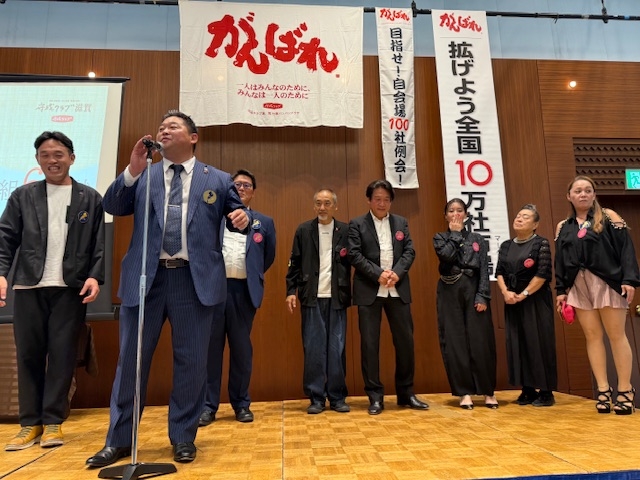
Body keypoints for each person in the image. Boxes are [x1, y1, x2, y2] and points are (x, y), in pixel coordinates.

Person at [86, 110, 249, 467]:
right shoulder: (144, 174)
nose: (164, 130)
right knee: (131, 362)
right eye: (161, 127)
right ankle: (119, 440)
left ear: (193, 137)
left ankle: (183, 436)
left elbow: (239, 217)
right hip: (146, 279)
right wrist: (132, 169)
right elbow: (112, 205)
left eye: (173, 126)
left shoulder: (217, 179)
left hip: (193, 281)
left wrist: (243, 217)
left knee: (191, 362)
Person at [1, 131, 105, 451]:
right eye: (45, 155)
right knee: (28, 355)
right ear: (37, 160)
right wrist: (1, 273)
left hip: (69, 288)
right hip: (29, 285)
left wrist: (95, 276)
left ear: (71, 158)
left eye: (58, 154)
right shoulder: (22, 196)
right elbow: (6, 238)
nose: (52, 160)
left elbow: (98, 243)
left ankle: (53, 422)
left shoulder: (90, 197)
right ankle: (29, 424)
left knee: (62, 356)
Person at [555, 175, 639, 415]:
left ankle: (625, 390)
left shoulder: (609, 216)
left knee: (616, 335)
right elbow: (560, 260)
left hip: (607, 282)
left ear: (594, 194)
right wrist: (561, 290)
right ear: (569, 196)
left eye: (587, 190)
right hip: (578, 285)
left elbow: (626, 250)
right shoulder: (563, 226)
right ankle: (603, 390)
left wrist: (629, 280)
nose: (583, 194)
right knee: (592, 337)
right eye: (578, 191)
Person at [199, 169, 276, 426]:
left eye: (247, 185)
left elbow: (267, 257)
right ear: (229, 190)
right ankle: (208, 406)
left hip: (243, 293)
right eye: (237, 185)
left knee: (242, 351)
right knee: (211, 351)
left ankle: (241, 404)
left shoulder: (264, 222)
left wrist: (251, 275)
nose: (242, 188)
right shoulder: (213, 218)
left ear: (253, 192)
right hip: (214, 292)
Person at [349, 179, 428, 415]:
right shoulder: (357, 224)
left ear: (391, 201)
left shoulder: (401, 222)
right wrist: (378, 274)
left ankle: (406, 393)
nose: (382, 203)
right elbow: (354, 254)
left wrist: (397, 273)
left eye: (386, 199)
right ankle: (375, 397)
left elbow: (410, 251)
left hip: (397, 289)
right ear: (369, 200)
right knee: (369, 345)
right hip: (369, 290)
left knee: (405, 343)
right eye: (377, 199)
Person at [285, 189, 351, 414]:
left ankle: (337, 397)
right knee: (313, 349)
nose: (322, 208)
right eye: (318, 203)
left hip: (337, 298)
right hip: (311, 297)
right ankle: (316, 397)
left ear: (335, 206)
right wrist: (290, 291)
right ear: (314, 206)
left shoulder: (346, 231)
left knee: (336, 349)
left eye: (327, 203)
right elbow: (294, 262)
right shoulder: (304, 230)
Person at [433, 198, 498, 410]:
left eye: (459, 210)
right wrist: (455, 235)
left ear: (466, 215)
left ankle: (488, 391)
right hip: (449, 289)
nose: (455, 214)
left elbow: (484, 268)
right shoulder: (440, 238)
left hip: (473, 288)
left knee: (481, 340)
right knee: (455, 341)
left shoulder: (477, 238)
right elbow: (446, 257)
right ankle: (464, 392)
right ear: (446, 216)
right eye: (451, 211)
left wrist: (483, 296)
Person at [496, 204, 557, 407]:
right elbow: (499, 272)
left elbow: (543, 274)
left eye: (526, 217)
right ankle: (527, 389)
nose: (519, 219)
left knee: (539, 342)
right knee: (518, 343)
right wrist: (506, 292)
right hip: (512, 299)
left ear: (535, 224)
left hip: (535, 300)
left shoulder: (541, 243)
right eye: (518, 215)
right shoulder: (506, 245)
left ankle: (546, 392)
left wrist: (524, 294)